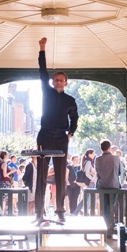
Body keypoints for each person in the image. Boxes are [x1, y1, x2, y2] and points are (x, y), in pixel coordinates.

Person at [34, 37, 78, 224]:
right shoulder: (46, 90)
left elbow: (75, 118)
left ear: (66, 83)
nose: (58, 82)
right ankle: (39, 211)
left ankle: (60, 210)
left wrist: (71, 133)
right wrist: (42, 49)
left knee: (61, 174)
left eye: (61, 80)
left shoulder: (70, 100)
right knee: (42, 174)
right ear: (52, 82)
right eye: (56, 80)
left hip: (61, 138)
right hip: (45, 134)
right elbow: (42, 72)